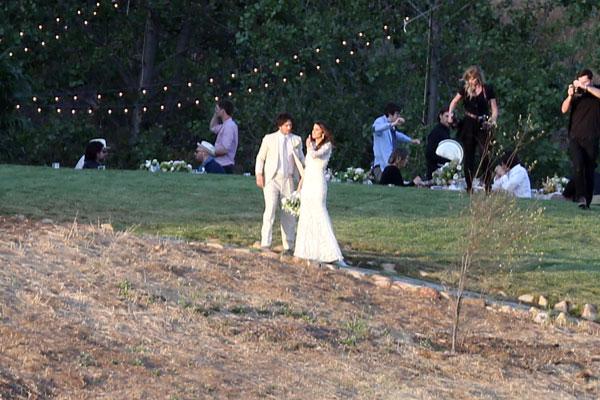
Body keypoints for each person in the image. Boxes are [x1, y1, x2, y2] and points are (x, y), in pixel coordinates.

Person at [294, 121, 344, 264]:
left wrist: (309, 145)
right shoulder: (312, 147)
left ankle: (330, 252)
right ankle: (306, 251)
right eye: (313, 129)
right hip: (308, 183)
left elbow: (315, 155)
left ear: (323, 132)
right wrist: (300, 187)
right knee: (306, 215)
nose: (313, 132)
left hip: (317, 184)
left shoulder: (326, 146)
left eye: (317, 130)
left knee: (319, 213)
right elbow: (307, 167)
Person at [255, 113, 305, 253]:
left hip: (288, 179)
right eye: (286, 125)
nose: (288, 128)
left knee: (289, 212)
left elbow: (301, 158)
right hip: (272, 178)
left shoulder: (296, 140)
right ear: (280, 126)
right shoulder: (269, 139)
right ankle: (266, 243)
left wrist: (304, 174)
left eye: (290, 125)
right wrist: (259, 174)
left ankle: (289, 245)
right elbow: (261, 157)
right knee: (270, 209)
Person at [448, 66, 499, 192]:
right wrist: (450, 114)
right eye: (470, 78)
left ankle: (487, 186)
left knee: (485, 155)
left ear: (478, 78)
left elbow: (494, 109)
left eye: (474, 78)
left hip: (483, 123)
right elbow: (454, 102)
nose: (472, 81)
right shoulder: (465, 89)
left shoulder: (487, 89)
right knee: (469, 156)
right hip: (469, 124)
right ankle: (469, 186)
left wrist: (492, 121)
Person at [560, 68, 600, 209]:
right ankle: (580, 197)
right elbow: (564, 109)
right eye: (580, 81)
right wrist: (570, 96)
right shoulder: (576, 94)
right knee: (578, 166)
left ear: (590, 80)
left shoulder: (595, 91)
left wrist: (586, 87)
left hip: (591, 137)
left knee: (589, 170)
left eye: (585, 81)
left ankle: (587, 200)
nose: (582, 84)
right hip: (575, 136)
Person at [372, 102, 420, 182]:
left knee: (394, 183)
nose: (398, 117)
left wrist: (411, 140)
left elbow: (397, 135)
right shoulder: (380, 121)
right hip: (381, 165)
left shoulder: (390, 126)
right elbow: (375, 129)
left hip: (389, 162)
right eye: (397, 114)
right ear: (390, 114)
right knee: (385, 184)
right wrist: (393, 124)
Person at [209, 99, 238, 173]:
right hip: (220, 163)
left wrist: (209, 152)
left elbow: (224, 150)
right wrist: (215, 114)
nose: (216, 111)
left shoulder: (229, 127)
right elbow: (212, 127)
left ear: (223, 111)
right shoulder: (224, 125)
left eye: (218, 109)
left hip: (225, 165)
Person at [425, 107, 452, 180]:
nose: (449, 119)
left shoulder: (446, 131)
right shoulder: (436, 132)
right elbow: (429, 153)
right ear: (440, 116)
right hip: (435, 171)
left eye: (451, 117)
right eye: (446, 116)